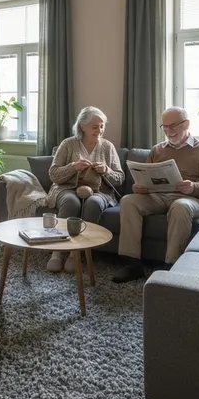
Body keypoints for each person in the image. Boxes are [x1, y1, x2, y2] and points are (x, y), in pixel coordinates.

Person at [112, 106, 199, 283]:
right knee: (128, 201)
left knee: (180, 206)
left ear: (186, 124)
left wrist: (193, 187)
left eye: (173, 126)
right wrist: (141, 187)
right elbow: (146, 176)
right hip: (159, 197)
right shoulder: (158, 150)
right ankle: (132, 264)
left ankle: (171, 266)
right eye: (165, 127)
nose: (168, 131)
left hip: (192, 200)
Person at [44, 106, 125, 273]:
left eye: (102, 126)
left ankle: (76, 253)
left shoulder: (107, 147)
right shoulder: (68, 144)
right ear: (82, 126)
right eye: (95, 127)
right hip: (67, 188)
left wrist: (106, 170)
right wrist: (73, 167)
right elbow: (53, 174)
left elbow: (119, 178)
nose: (100, 130)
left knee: (93, 203)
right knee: (70, 202)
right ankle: (57, 252)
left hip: (99, 191)